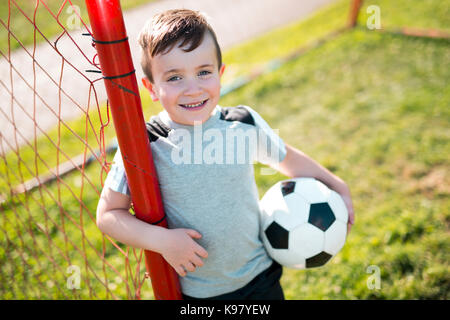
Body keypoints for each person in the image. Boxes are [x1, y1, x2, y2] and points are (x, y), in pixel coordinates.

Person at [96, 9, 355, 300]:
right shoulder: (145, 142)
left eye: (203, 72)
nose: (193, 89)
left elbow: (290, 160)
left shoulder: (242, 123)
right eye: (174, 77)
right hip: (198, 292)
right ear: (152, 88)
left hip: (261, 277)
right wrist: (163, 241)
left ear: (220, 74)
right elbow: (108, 215)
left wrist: (338, 185)